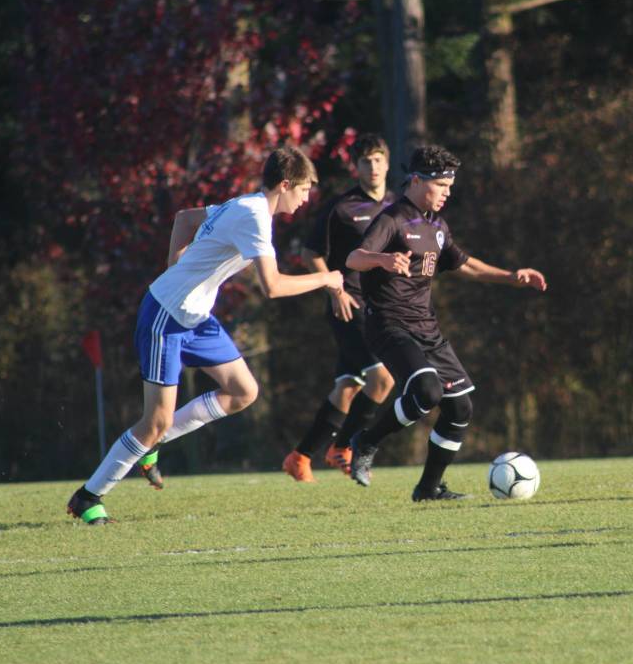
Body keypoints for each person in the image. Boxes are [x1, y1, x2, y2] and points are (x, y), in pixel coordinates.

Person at [66, 145, 343, 525]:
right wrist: (327, 278)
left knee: (244, 392)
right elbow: (273, 287)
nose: (306, 198)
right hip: (166, 315)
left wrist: (175, 268)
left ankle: (155, 442)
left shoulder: (246, 205)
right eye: (304, 189)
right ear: (284, 184)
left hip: (195, 318)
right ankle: (88, 496)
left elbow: (184, 219)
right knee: (154, 421)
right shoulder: (254, 216)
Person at [344, 145, 547, 501]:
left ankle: (428, 488)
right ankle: (366, 440)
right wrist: (382, 259)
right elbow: (354, 257)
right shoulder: (392, 219)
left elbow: (464, 264)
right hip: (390, 324)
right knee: (427, 392)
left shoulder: (437, 225)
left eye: (450, 187)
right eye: (442, 186)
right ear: (418, 180)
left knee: (459, 407)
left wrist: (512, 276)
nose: (447, 193)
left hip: (427, 328)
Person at [281, 134, 397, 482]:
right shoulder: (341, 207)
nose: (372, 166)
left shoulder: (396, 206)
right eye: (365, 161)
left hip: (382, 308)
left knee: (347, 387)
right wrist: (335, 289)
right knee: (383, 379)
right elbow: (310, 253)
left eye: (378, 159)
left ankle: (299, 457)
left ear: (387, 163)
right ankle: (343, 447)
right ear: (355, 166)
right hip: (349, 305)